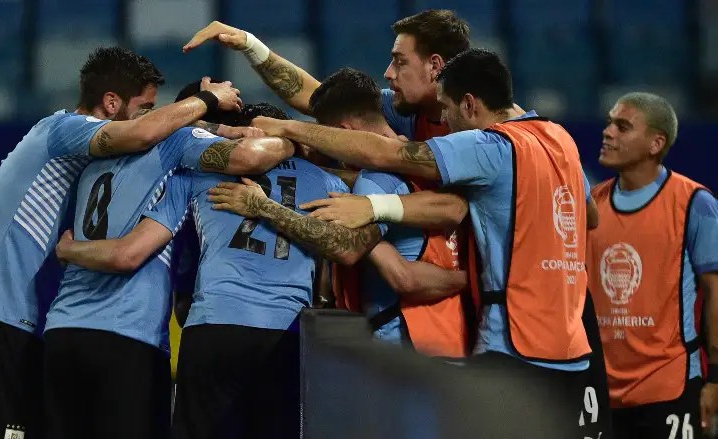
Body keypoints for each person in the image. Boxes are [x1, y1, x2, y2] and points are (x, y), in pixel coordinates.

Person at [241, 48, 600, 437]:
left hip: (514, 345)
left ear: (469, 103)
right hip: (571, 351)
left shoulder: (490, 147)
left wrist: (292, 131)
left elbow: (391, 155)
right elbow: (589, 215)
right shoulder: (558, 139)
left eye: (446, 108)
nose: (443, 120)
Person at [0, 46, 242, 439]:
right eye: (145, 105)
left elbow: (152, 137)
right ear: (111, 102)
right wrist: (207, 100)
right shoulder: (62, 130)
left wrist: (220, 128)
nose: (149, 114)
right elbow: (142, 134)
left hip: (10, 324)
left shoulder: (74, 149)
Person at [42, 82, 293, 439]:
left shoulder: (95, 162)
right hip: (134, 335)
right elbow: (248, 157)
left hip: (65, 331)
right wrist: (291, 140)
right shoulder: (185, 164)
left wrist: (68, 251)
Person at [212, 67, 471, 357]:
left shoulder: (375, 181)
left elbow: (359, 254)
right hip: (451, 336)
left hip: (404, 344)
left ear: (343, 132)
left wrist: (262, 206)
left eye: (324, 135)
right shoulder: (427, 166)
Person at [586, 92, 718, 438]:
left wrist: (715, 380)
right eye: (609, 122)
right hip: (602, 392)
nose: (607, 132)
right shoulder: (593, 205)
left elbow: (715, 295)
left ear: (656, 143)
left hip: (669, 388)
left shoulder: (694, 203)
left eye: (622, 126)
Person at [183, 9, 469, 142]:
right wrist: (250, 44)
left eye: (400, 62)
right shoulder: (407, 110)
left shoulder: (483, 130)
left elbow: (447, 205)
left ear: (435, 66)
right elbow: (322, 99)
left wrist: (286, 129)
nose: (388, 72)